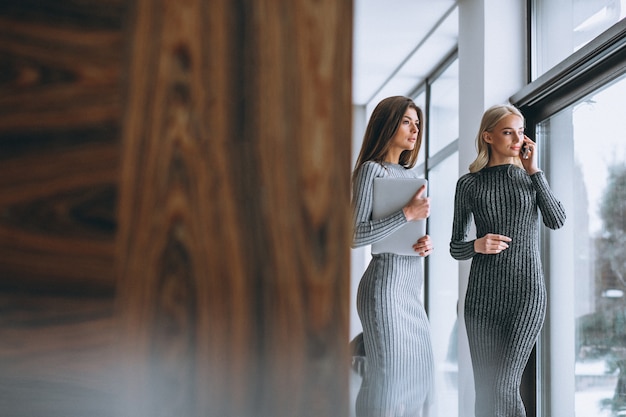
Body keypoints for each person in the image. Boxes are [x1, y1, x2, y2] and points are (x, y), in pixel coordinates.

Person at [449, 104, 566, 417]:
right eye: (507, 131)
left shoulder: (530, 179)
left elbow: (556, 220)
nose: (518, 138)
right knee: (487, 390)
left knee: (503, 386)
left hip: (525, 296)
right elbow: (455, 247)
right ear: (488, 136)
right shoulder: (469, 184)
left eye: (520, 131)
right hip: (481, 301)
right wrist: (477, 244)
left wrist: (535, 170)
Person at [351, 96, 435, 416]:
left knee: (418, 374)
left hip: (410, 291)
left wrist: (424, 243)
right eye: (406, 122)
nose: (414, 130)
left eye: (417, 123)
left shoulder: (410, 177)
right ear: (387, 124)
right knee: (388, 378)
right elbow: (355, 235)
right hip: (384, 287)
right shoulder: (370, 171)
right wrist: (406, 214)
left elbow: (406, 233)